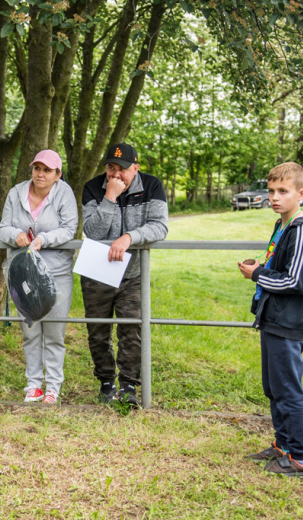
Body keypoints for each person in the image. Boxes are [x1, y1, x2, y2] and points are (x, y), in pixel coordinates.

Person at [239, 162, 303, 479]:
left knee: (289, 391)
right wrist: (262, 268)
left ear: (301, 194)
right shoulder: (283, 226)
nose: (275, 198)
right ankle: (283, 447)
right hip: (272, 319)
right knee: (274, 388)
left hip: (288, 324)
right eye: (271, 191)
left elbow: (296, 282)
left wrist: (257, 274)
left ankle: (300, 460)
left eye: (283, 192)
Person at [81, 143, 168, 406]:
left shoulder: (152, 186)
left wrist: (130, 237)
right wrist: (109, 198)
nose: (115, 175)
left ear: (136, 168)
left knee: (132, 330)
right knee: (98, 331)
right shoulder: (92, 188)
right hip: (97, 271)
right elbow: (92, 233)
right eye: (110, 168)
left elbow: (160, 226)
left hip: (132, 273)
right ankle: (106, 382)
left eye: (123, 169)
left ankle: (128, 386)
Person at [0, 150, 78, 404]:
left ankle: (53, 387)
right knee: (30, 331)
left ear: (57, 174)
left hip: (56, 272)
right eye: (37, 168)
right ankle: (33, 385)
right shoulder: (16, 192)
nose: (40, 174)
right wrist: (16, 235)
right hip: (22, 272)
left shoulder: (64, 193)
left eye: (46, 170)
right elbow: (3, 228)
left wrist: (44, 239)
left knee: (54, 333)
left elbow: (69, 228)